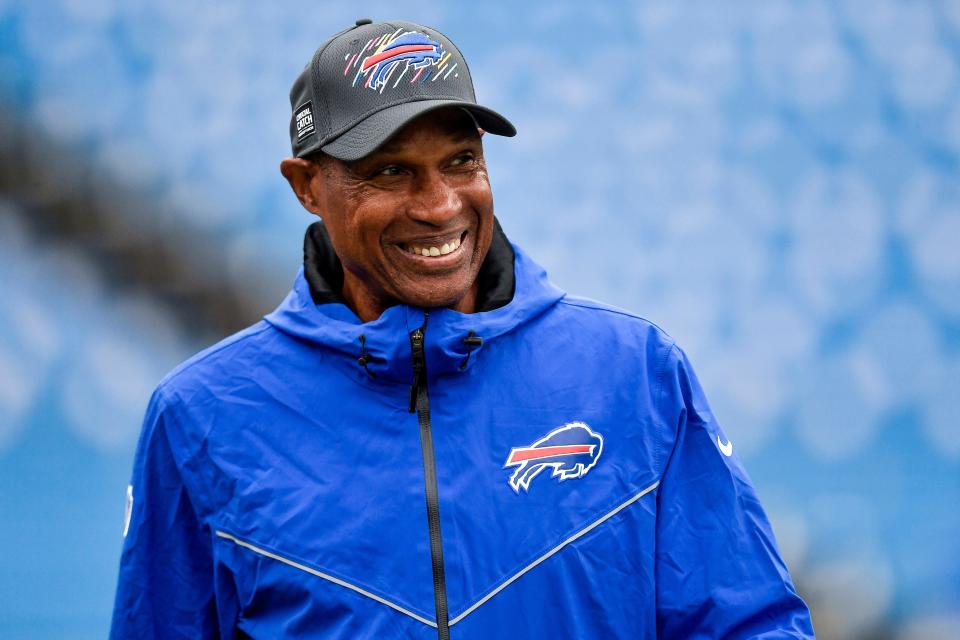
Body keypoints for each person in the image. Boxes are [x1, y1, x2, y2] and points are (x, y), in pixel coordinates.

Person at [110, 18, 815, 640]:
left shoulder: (634, 372)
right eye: (390, 171)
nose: (440, 204)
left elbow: (747, 624)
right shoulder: (202, 417)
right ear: (306, 186)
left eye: (461, 162)